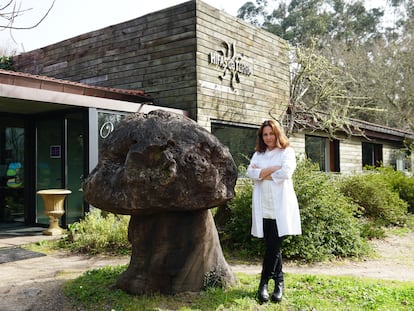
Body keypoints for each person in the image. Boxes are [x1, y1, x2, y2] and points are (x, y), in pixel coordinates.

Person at [247, 119, 302, 303]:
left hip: (280, 206)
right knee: (272, 245)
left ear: (277, 133)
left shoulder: (287, 152)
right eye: (265, 134)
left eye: (271, 133)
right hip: (264, 206)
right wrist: (270, 170)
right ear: (261, 137)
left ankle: (263, 283)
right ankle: (279, 282)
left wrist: (262, 173)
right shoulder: (258, 154)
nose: (268, 137)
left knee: (273, 245)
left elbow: (285, 172)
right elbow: (251, 173)